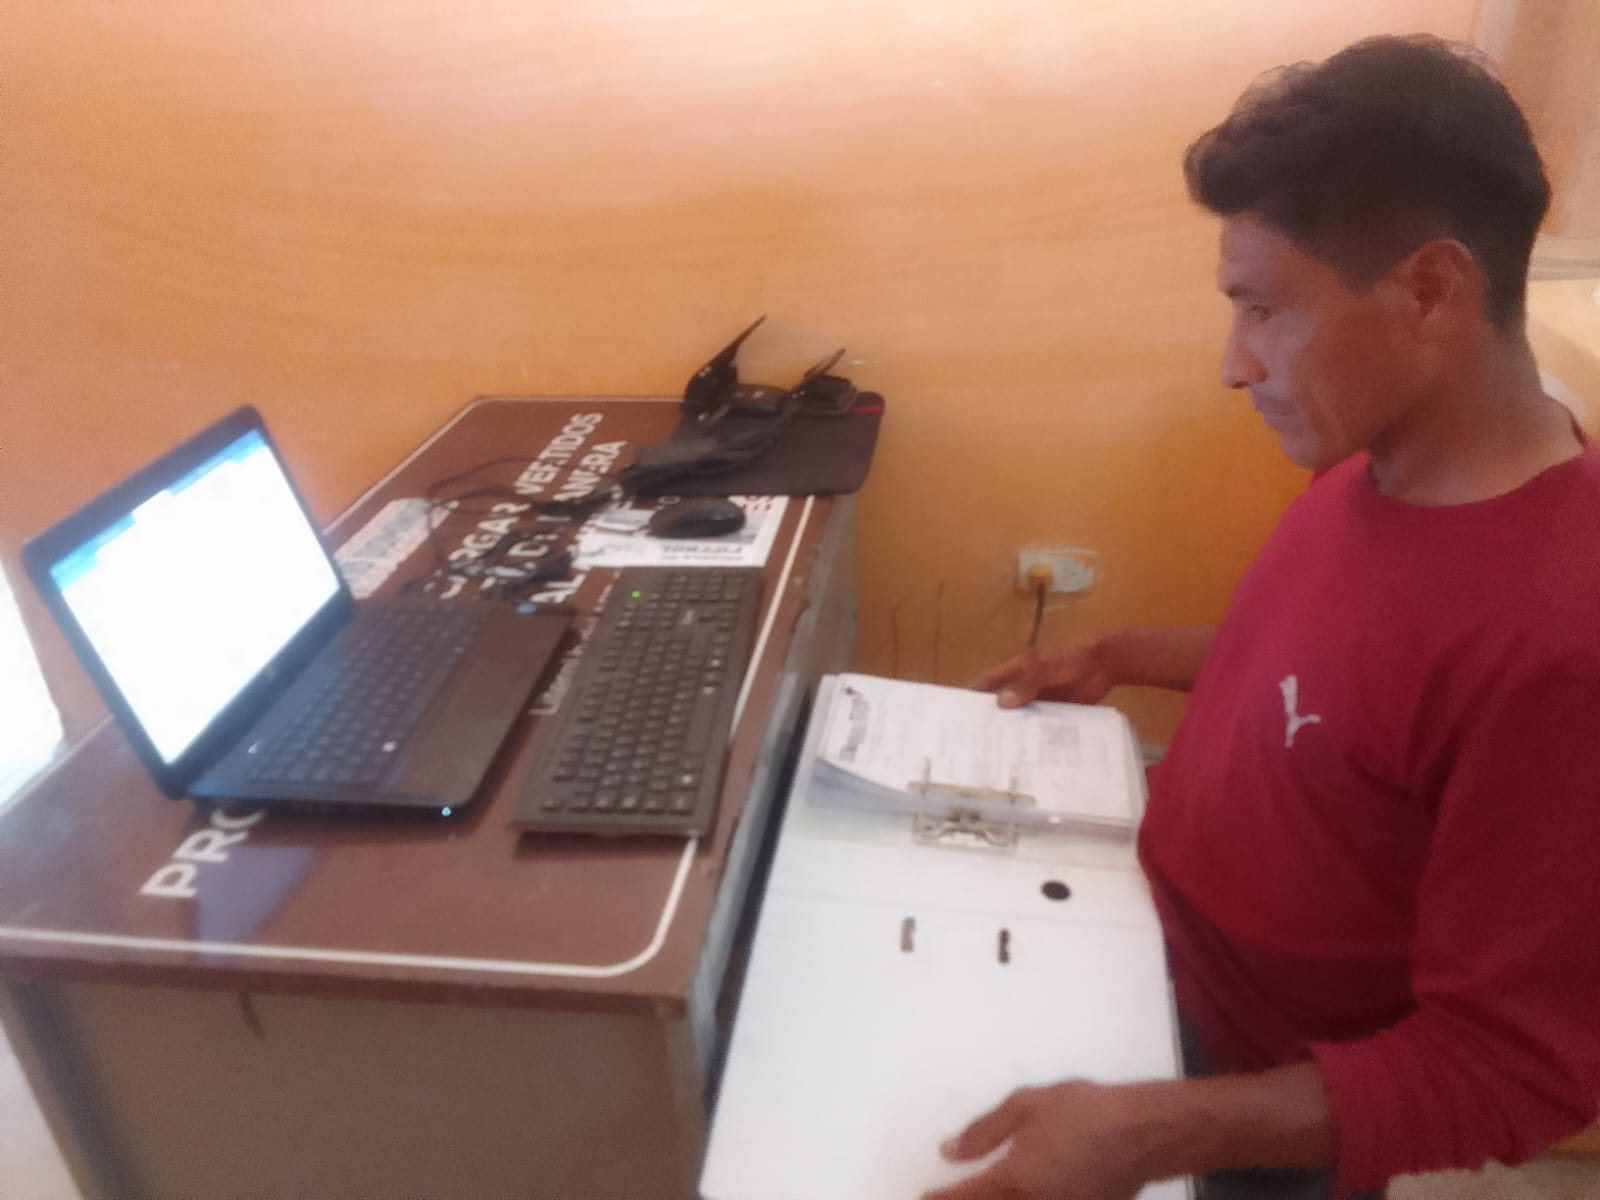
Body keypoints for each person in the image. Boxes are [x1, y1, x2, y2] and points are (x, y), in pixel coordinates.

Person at [930, 33, 1600, 1200]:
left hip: (1242, 1115)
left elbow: (1514, 1071)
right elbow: (1322, 681)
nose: (1233, 365)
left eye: (1264, 310)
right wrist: (1115, 656)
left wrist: (1150, 1134)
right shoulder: (1373, 461)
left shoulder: (1563, 646)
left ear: (1430, 289)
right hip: (1135, 961)